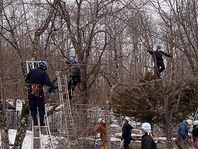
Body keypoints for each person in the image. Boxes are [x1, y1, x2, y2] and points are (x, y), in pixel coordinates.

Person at [25, 60, 57, 126]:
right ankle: (42, 122)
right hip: (38, 91)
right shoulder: (43, 73)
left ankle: (35, 122)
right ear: (45, 67)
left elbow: (26, 80)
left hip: (31, 91)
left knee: (32, 107)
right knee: (41, 107)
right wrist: (54, 87)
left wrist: (31, 83)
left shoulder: (32, 71)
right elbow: (48, 83)